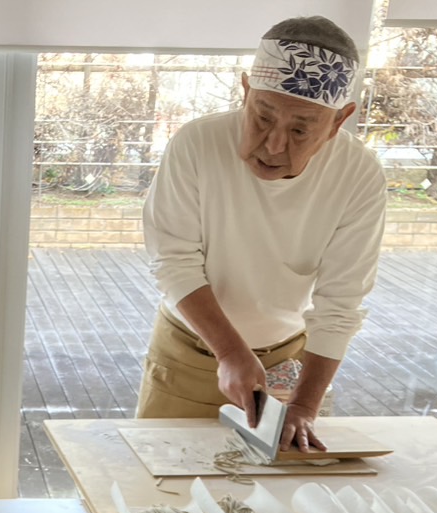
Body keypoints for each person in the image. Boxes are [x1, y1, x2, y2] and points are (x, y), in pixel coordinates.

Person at [139, 15, 386, 452]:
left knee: (279, 486)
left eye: (300, 129)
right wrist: (230, 352)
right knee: (161, 480)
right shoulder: (196, 144)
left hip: (286, 363)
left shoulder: (359, 174)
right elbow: (174, 261)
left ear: (338, 121)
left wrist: (305, 405)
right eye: (262, 117)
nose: (273, 145)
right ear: (246, 91)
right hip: (188, 352)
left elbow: (341, 303)